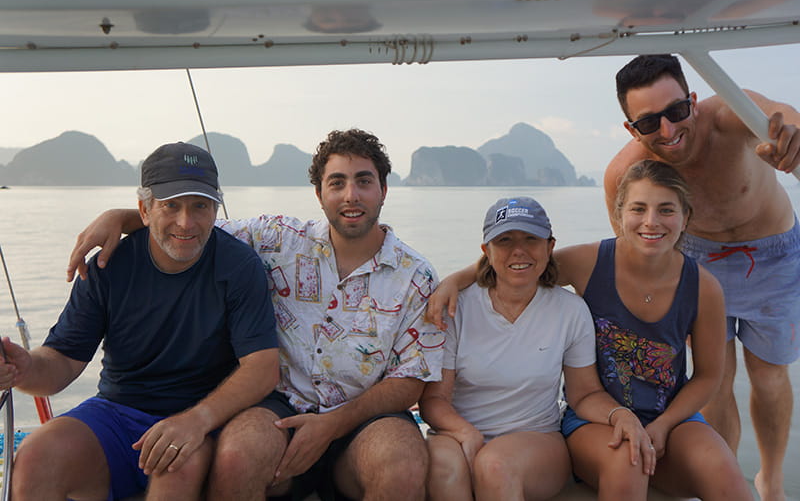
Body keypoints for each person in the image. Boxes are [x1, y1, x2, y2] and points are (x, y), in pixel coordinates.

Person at [66, 129, 444, 501]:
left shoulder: (416, 275)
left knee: (403, 466)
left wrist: (331, 425)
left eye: (364, 181)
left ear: (383, 190)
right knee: (236, 456)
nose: (351, 195)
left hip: (365, 419)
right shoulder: (277, 238)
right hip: (278, 407)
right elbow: (190, 226)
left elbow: (409, 380)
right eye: (337, 182)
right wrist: (122, 217)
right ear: (319, 193)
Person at [426, 161, 752, 500]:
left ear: (686, 217)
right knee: (626, 459)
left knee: (725, 472)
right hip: (594, 419)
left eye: (666, 210)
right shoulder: (590, 261)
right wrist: (454, 281)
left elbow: (708, 376)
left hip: (668, 414)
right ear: (619, 214)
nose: (651, 221)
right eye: (638, 208)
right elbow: (515, 265)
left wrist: (665, 424)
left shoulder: (703, 287)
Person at [0, 142, 280, 500]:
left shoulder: (238, 266)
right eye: (171, 206)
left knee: (174, 466)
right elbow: (63, 361)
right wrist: (25, 369)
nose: (186, 221)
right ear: (144, 210)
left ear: (215, 210)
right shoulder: (108, 266)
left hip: (200, 417)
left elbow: (261, 367)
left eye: (200, 206)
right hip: (116, 413)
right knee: (35, 456)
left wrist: (196, 420)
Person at [607, 54, 800, 501]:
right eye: (650, 122)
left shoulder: (732, 113)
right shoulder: (625, 173)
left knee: (770, 377)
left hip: (774, 254)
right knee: (712, 380)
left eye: (676, 112)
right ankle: (725, 481)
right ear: (631, 129)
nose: (669, 131)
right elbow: (629, 254)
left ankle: (770, 478)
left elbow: (783, 119)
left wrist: (792, 135)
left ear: (693, 101)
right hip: (695, 259)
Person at [419, 197, 653, 501]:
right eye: (505, 240)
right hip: (459, 432)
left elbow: (584, 394)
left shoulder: (570, 310)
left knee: (495, 465)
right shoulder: (457, 307)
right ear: (486, 251)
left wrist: (620, 415)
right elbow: (434, 400)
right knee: (444, 468)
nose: (519, 250)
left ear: (550, 246)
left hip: (537, 437)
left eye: (531, 238)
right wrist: (465, 432)